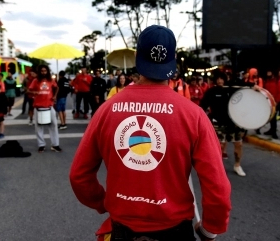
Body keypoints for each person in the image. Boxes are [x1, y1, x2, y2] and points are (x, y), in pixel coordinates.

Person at [70, 25, 231, 241]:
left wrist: (104, 202)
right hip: (175, 232)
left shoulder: (106, 110)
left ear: (137, 57)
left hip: (122, 230)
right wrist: (210, 228)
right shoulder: (193, 115)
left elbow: (79, 176)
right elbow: (217, 186)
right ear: (173, 59)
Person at [201, 72, 255, 176]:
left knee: (238, 144)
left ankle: (237, 165)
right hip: (218, 123)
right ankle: (218, 167)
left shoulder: (231, 89)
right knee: (219, 146)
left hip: (233, 123)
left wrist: (254, 86)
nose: (220, 81)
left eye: (222, 79)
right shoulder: (211, 92)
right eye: (218, 79)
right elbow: (202, 107)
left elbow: (243, 85)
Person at [28, 64, 62, 153]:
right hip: (38, 107)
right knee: (39, 127)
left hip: (49, 106)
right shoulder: (35, 81)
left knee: (54, 125)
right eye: (42, 71)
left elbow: (57, 87)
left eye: (45, 71)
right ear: (39, 72)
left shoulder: (51, 80)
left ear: (47, 72)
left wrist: (55, 96)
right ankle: (41, 145)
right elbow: (28, 90)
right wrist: (33, 92)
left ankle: (55, 145)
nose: (43, 72)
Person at [258, 70, 280, 139]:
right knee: (268, 117)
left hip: (275, 102)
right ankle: (271, 130)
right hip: (268, 101)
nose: (268, 73)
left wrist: (276, 101)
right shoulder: (267, 80)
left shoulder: (278, 80)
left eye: (269, 72)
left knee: (273, 117)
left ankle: (274, 131)